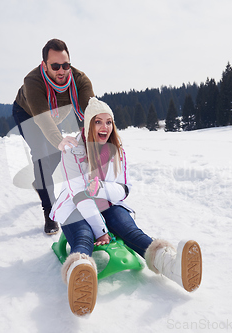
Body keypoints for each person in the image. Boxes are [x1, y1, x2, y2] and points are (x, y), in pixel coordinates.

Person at [50, 97, 203, 316]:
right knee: (84, 235)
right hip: (75, 206)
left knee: (128, 229)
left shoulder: (116, 151)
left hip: (107, 201)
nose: (105, 127)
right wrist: (101, 230)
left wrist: (100, 188)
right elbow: (79, 197)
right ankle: (81, 273)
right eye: (98, 122)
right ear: (88, 124)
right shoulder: (72, 152)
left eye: (109, 122)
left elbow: (123, 189)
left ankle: (171, 265)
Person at [12, 38, 95, 235]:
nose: (61, 70)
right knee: (41, 157)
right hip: (29, 115)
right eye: (55, 66)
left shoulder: (80, 80)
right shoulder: (32, 81)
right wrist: (59, 141)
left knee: (58, 155)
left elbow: (91, 113)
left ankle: (40, 181)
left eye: (65, 65)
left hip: (54, 116)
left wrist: (98, 141)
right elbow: (43, 120)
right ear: (44, 65)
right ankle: (49, 212)